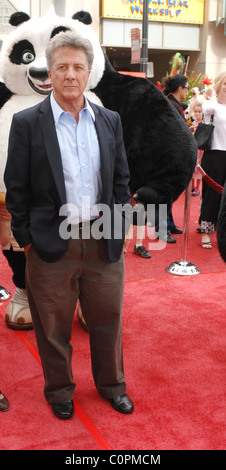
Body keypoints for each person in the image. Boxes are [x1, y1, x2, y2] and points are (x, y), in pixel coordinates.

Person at [4, 31, 134, 419]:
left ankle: (113, 386)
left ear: (89, 72)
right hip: (49, 244)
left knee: (108, 319)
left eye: (78, 67)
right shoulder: (27, 122)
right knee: (53, 327)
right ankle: (60, 390)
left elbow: (121, 180)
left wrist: (120, 225)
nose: (70, 75)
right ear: (51, 71)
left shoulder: (109, 120)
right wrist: (27, 240)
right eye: (62, 67)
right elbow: (17, 186)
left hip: (101, 239)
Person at [155, 74, 187, 243]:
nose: (187, 91)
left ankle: (168, 225)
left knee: (169, 193)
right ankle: (162, 229)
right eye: (186, 87)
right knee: (165, 194)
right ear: (180, 88)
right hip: (167, 155)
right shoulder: (170, 104)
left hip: (168, 154)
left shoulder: (172, 103)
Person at [200, 72, 226, 249]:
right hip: (215, 154)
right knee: (211, 195)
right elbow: (205, 109)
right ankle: (206, 232)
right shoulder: (212, 105)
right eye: (225, 83)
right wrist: (217, 93)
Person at [189, 102, 204, 196]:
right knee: (192, 166)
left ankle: (197, 186)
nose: (197, 113)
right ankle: (192, 185)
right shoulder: (192, 124)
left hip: (201, 150)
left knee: (199, 168)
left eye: (199, 112)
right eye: (196, 111)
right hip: (193, 149)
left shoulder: (203, 124)